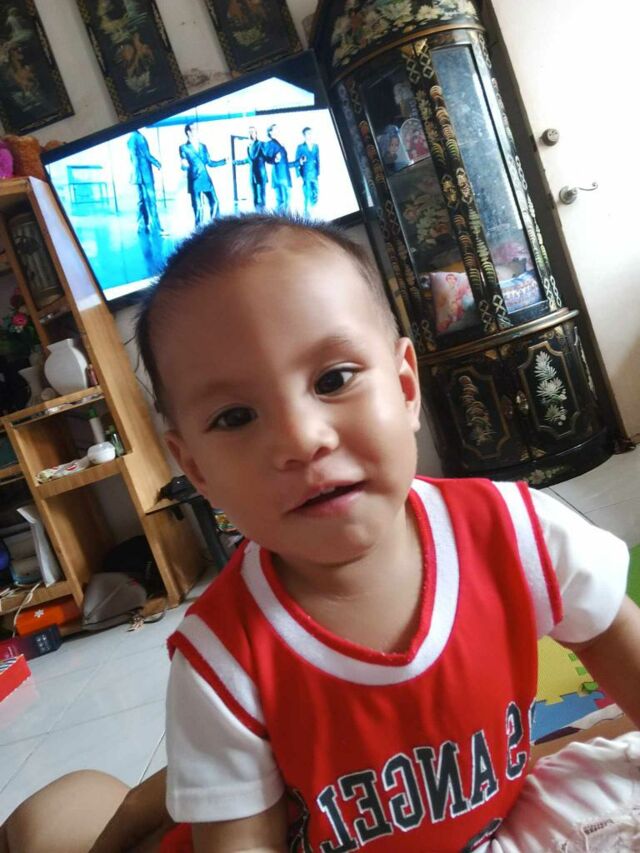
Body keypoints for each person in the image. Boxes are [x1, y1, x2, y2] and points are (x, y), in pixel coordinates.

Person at [3, 215, 640, 851]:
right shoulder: (221, 657)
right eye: (236, 416)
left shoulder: (517, 532)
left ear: (405, 387)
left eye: (333, 380)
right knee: (56, 827)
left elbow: (614, 635)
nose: (301, 439)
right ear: (195, 469)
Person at [179, 123, 226, 227]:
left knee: (215, 202)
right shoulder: (184, 147)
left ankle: (214, 226)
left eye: (197, 129)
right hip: (194, 179)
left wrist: (224, 161)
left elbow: (210, 163)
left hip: (205, 179)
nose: (197, 131)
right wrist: (183, 165)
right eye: (194, 129)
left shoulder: (203, 146)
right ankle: (199, 229)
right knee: (198, 207)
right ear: (188, 132)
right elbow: (184, 163)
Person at [128, 129, 164, 235]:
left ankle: (143, 227)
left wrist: (135, 175)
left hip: (138, 175)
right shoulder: (138, 137)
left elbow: (134, 158)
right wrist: (156, 163)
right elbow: (146, 155)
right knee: (150, 201)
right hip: (144, 174)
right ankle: (154, 227)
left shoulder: (132, 138)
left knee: (141, 202)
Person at [235, 126, 268, 211]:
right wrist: (234, 162)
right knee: (255, 197)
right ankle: (257, 214)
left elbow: (267, 156)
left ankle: (263, 215)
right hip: (252, 175)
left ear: (256, 134)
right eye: (249, 132)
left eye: (252, 132)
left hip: (261, 175)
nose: (250, 134)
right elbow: (248, 160)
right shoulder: (248, 147)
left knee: (262, 197)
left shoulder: (261, 144)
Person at [264, 124, 291, 213]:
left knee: (285, 202)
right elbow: (267, 158)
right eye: (275, 129)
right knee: (282, 202)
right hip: (279, 176)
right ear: (270, 132)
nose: (277, 130)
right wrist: (274, 160)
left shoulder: (279, 144)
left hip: (285, 176)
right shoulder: (270, 144)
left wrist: (299, 162)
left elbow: (285, 162)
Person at [294, 126, 320, 216]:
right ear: (304, 135)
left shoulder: (315, 146)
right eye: (308, 133)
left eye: (311, 133)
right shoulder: (300, 147)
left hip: (314, 173)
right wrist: (298, 174)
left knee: (316, 193)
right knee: (307, 193)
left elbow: (318, 159)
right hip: (305, 173)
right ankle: (306, 212)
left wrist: (318, 172)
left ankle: (313, 209)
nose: (310, 135)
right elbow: (297, 161)